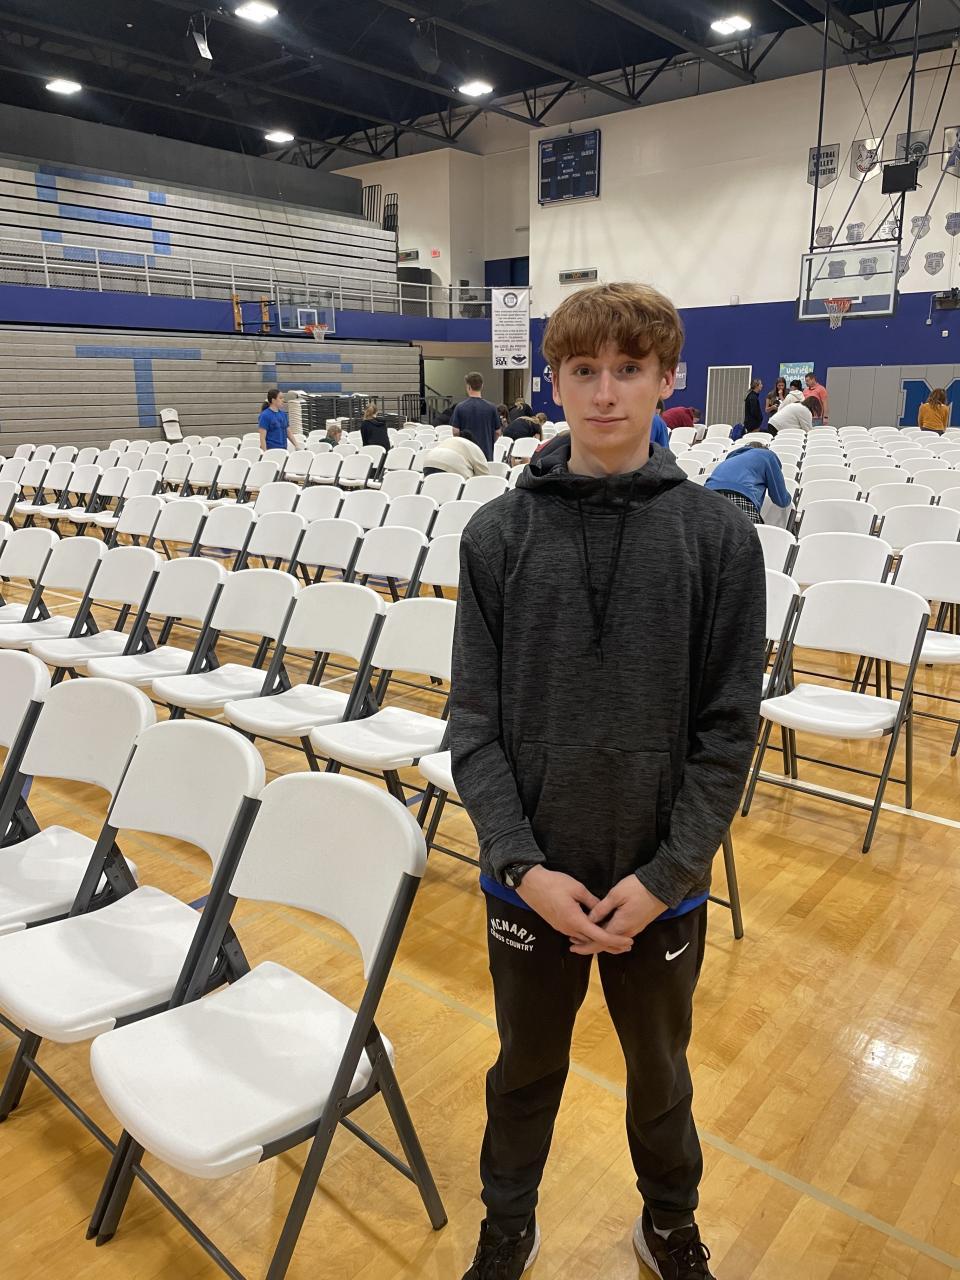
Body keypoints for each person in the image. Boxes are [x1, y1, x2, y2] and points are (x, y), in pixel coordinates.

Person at [451, 281, 765, 1280]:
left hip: (661, 885)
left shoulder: (720, 538)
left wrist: (667, 874)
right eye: (583, 369)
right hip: (529, 883)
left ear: (668, 379)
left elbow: (728, 731)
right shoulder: (496, 535)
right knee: (523, 1071)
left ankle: (667, 1223)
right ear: (552, 379)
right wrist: (522, 863)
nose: (604, 392)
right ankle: (508, 1224)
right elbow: (473, 726)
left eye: (629, 369)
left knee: (661, 1075)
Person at [705, 441, 793, 524]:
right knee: (747, 533)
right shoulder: (767, 455)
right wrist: (790, 500)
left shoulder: (732, 458)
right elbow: (781, 499)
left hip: (707, 496)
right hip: (738, 496)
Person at [451, 372, 501, 461]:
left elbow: (455, 432)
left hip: (466, 453)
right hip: (485, 453)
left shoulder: (460, 407)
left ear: (468, 387)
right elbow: (497, 432)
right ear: (482, 386)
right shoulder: (492, 407)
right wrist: (489, 442)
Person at [422, 435, 489, 480]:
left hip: (429, 462)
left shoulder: (451, 439)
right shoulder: (475, 447)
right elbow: (483, 477)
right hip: (451, 465)